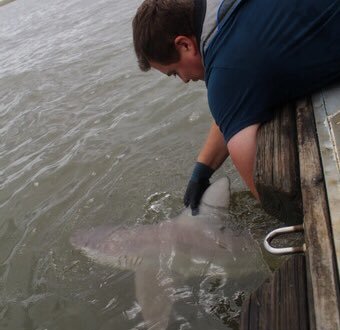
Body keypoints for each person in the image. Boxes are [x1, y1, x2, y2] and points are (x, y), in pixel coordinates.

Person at [132, 0, 340, 215]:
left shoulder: (225, 69)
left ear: (185, 44)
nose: (184, 80)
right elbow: (234, 106)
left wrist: (288, 218)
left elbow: (263, 184)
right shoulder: (222, 13)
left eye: (175, 72)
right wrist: (202, 170)